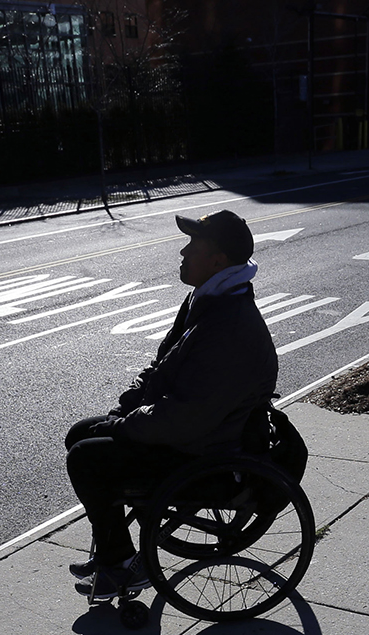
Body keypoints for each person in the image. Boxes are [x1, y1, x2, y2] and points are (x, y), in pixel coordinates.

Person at [64, 210, 278, 603]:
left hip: (207, 453)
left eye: (193, 246)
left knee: (86, 458)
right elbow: (163, 366)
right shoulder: (209, 299)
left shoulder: (230, 326)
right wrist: (123, 409)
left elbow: (188, 417)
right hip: (187, 432)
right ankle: (114, 554)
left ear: (217, 261)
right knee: (80, 434)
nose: (183, 251)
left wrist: (126, 427)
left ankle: (125, 564)